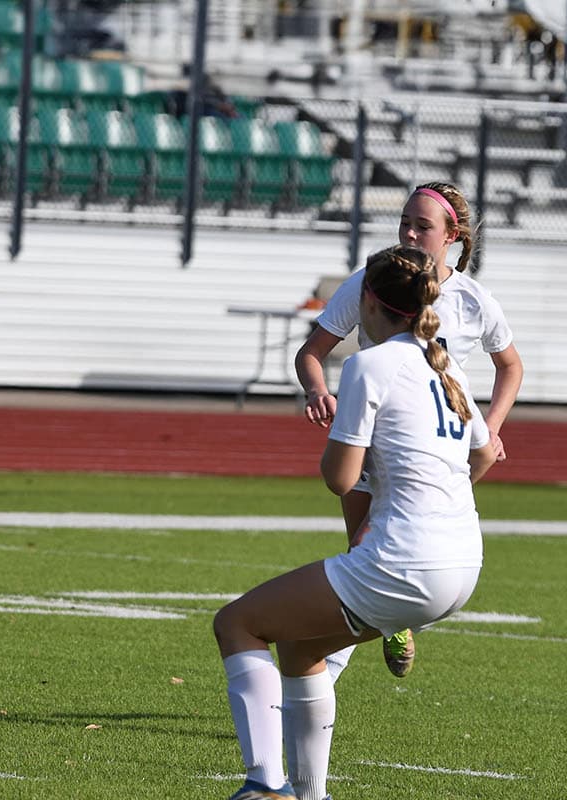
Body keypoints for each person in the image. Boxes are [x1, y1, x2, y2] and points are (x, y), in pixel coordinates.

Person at [216, 245, 499, 800]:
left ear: (370, 302)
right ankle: (308, 796)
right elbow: (485, 454)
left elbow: (339, 480)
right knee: (301, 650)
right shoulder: (450, 368)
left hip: (404, 563)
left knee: (236, 624)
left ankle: (263, 785)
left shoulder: (370, 364)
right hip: (464, 562)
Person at [293, 181, 523, 679]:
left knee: (369, 563)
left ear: (452, 236)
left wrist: (493, 427)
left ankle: (314, 686)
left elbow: (510, 366)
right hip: (370, 441)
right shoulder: (371, 281)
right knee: (361, 556)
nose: (410, 233)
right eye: (404, 223)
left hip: (429, 446)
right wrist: (317, 391)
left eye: (423, 226)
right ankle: (338, 669)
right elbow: (312, 353)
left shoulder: (473, 301)